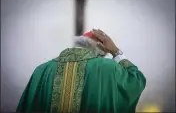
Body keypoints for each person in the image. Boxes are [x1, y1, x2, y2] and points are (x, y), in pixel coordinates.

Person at [16, 29, 146, 113]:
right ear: (101, 49)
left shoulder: (42, 70)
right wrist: (115, 51)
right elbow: (136, 80)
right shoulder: (108, 68)